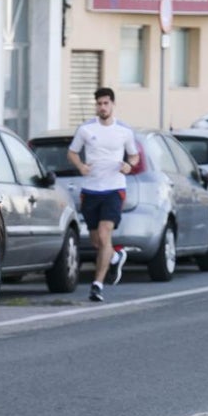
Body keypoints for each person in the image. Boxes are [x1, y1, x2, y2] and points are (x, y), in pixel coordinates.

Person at [66, 87, 139, 302]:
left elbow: (134, 156)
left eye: (106, 103)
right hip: (91, 189)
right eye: (99, 104)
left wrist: (128, 165)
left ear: (112, 105)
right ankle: (116, 256)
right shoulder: (86, 129)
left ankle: (97, 284)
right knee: (97, 241)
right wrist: (80, 166)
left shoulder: (124, 130)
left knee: (106, 235)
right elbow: (71, 152)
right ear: (96, 105)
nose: (102, 107)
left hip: (114, 188)